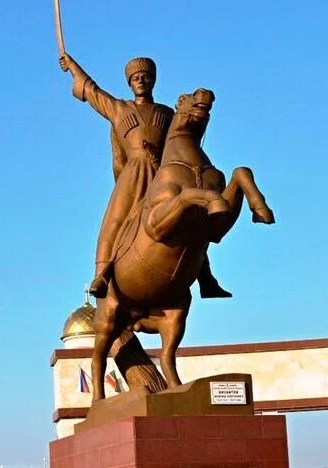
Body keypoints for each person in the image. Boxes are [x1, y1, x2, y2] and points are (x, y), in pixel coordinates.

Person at [60, 53, 230, 298]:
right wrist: (72, 66)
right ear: (129, 83)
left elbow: (185, 136)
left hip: (164, 174)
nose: (141, 81)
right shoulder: (119, 109)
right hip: (133, 175)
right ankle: (102, 275)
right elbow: (92, 91)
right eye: (135, 78)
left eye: (146, 77)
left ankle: (206, 277)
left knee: (191, 219)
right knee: (115, 219)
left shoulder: (166, 113)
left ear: (153, 80)